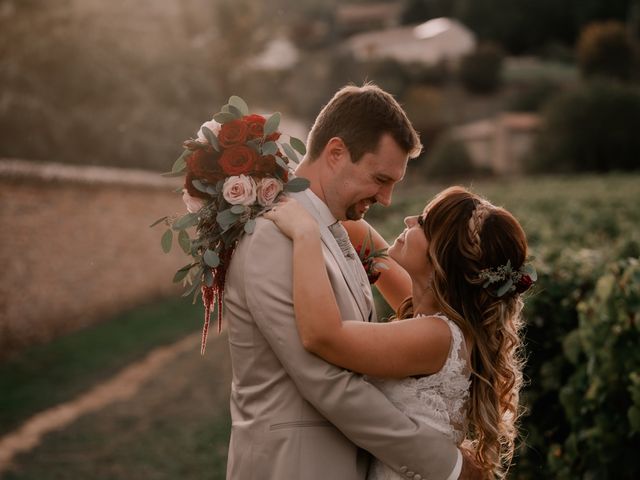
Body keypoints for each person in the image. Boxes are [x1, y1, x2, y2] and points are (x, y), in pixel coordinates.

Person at [223, 85, 473, 479]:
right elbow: (325, 379)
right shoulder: (275, 235)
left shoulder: (336, 231)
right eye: (380, 178)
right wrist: (448, 466)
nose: (388, 199)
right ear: (336, 153)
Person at [265, 186, 531, 479]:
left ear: (440, 256)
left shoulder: (436, 336)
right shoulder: (432, 313)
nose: (408, 220)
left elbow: (323, 336)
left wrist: (305, 235)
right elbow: (359, 232)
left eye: (424, 222)